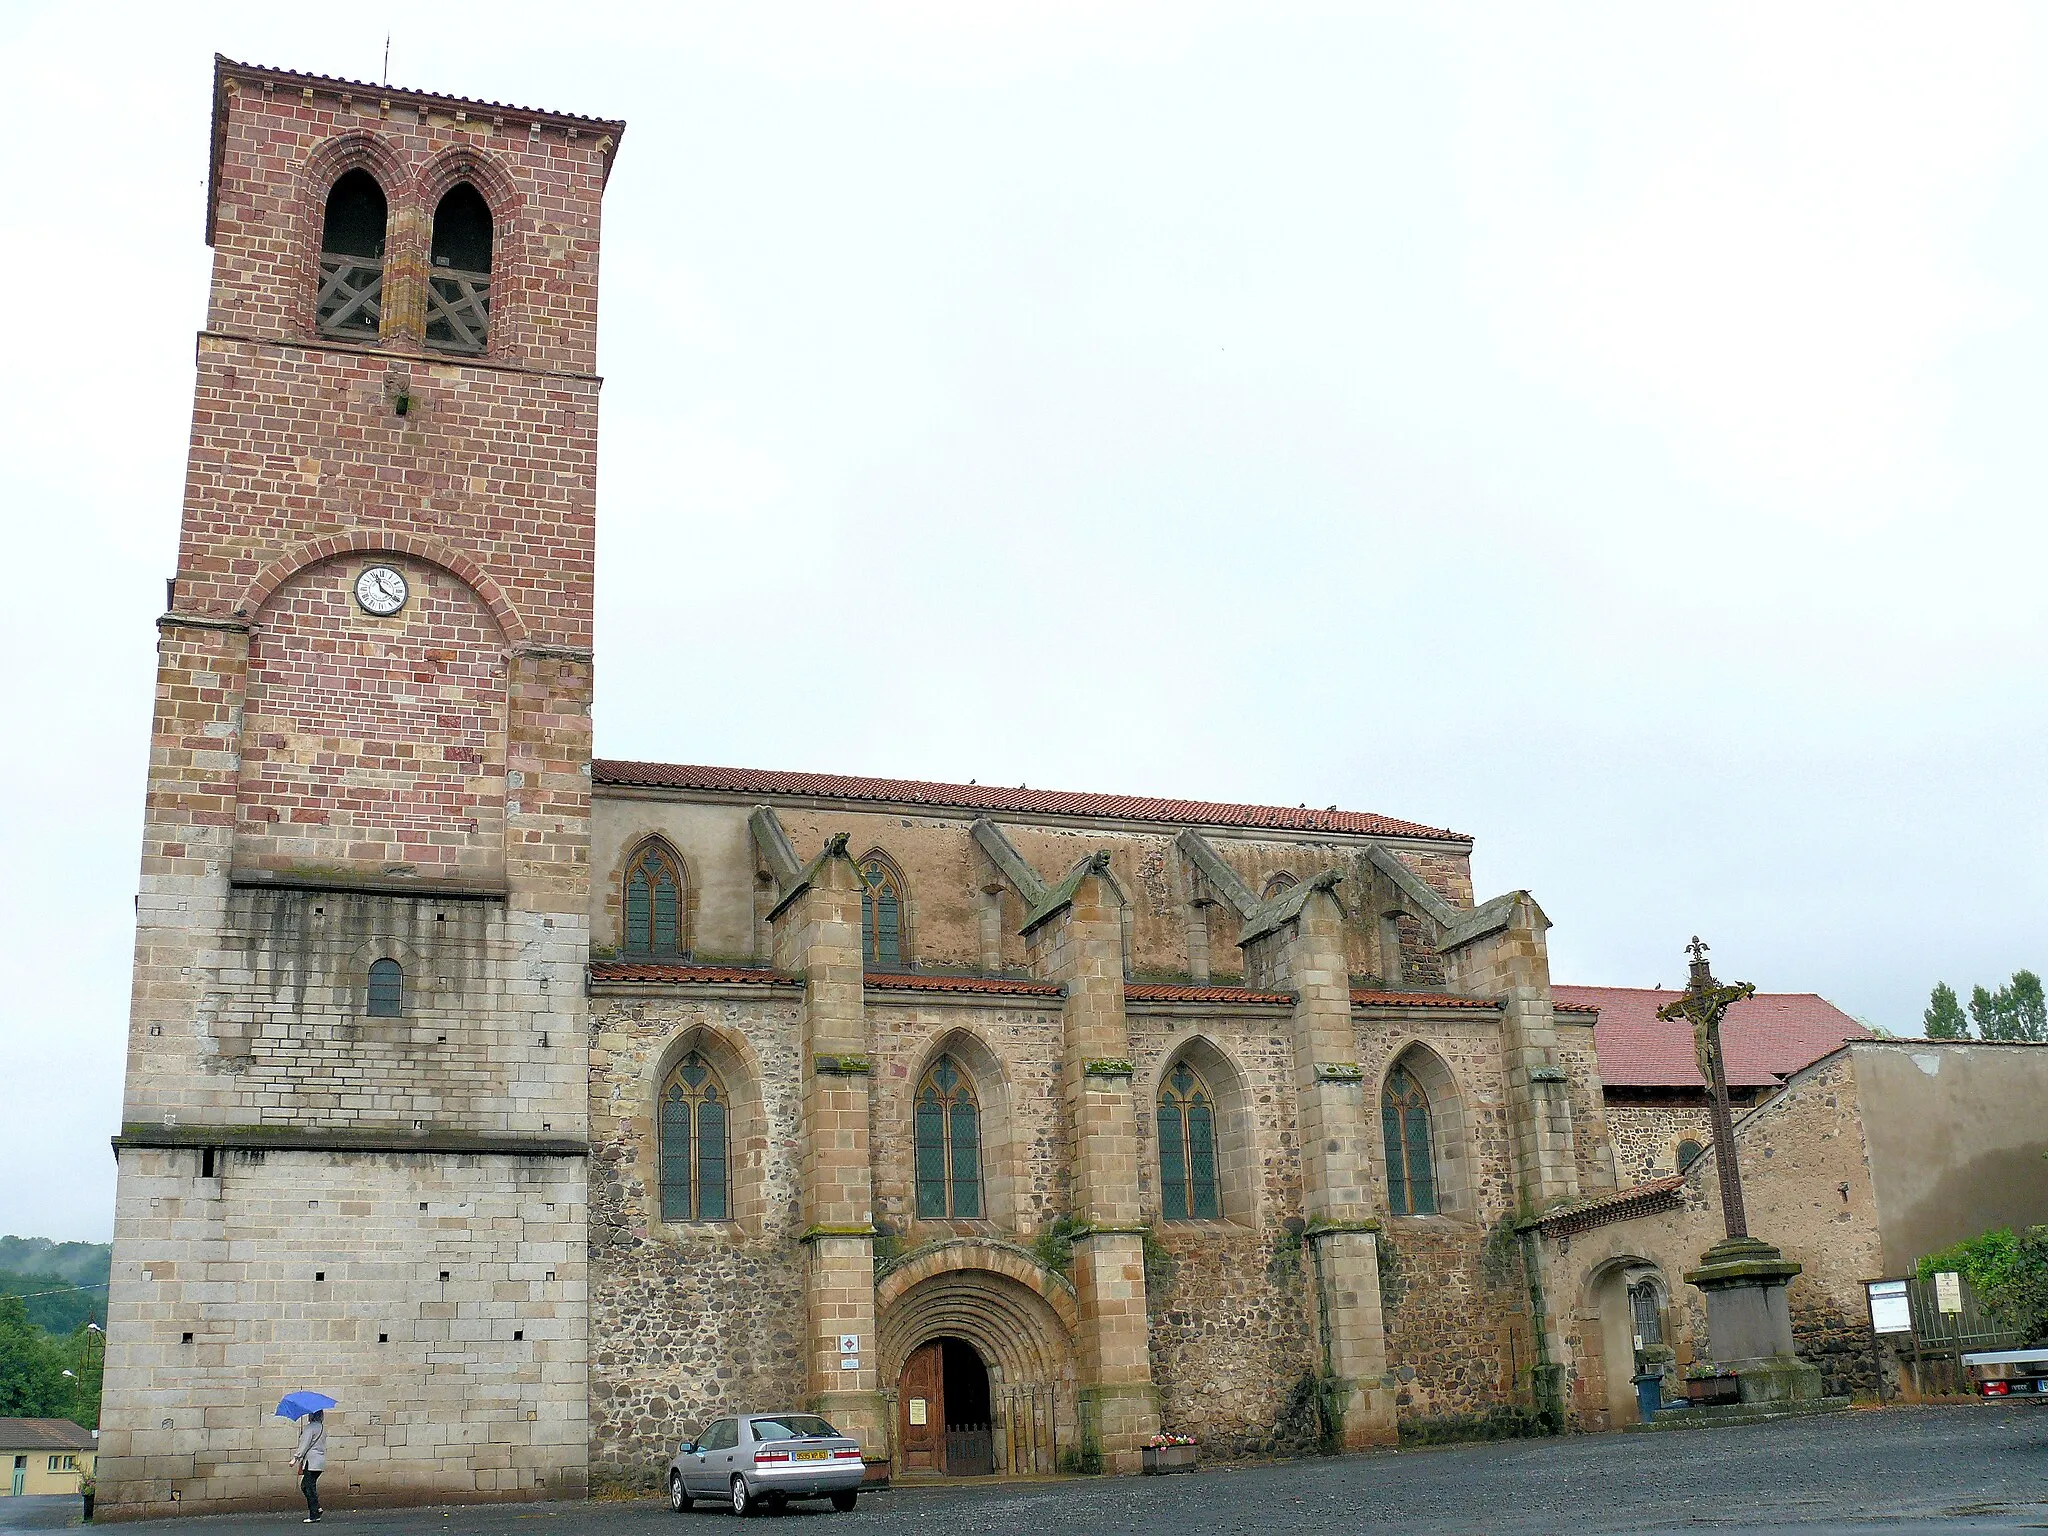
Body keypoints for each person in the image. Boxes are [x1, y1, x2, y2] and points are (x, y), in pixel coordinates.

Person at [291, 1409, 327, 1522]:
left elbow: (304, 1444)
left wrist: (296, 1458)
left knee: (306, 1486)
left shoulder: (310, 1428)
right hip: (320, 1461)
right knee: (310, 1486)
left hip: (311, 1462)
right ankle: (317, 1509)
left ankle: (314, 1514)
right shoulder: (322, 1428)